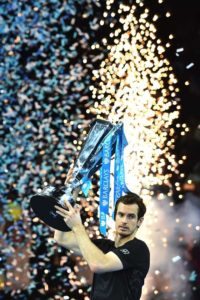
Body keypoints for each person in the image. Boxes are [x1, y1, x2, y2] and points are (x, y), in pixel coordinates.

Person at [54, 185, 150, 300]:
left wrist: (78, 226)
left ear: (139, 221)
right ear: (115, 217)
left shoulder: (138, 248)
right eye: (121, 215)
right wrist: (73, 192)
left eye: (131, 217)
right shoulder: (103, 246)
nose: (124, 221)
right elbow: (61, 238)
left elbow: (98, 264)